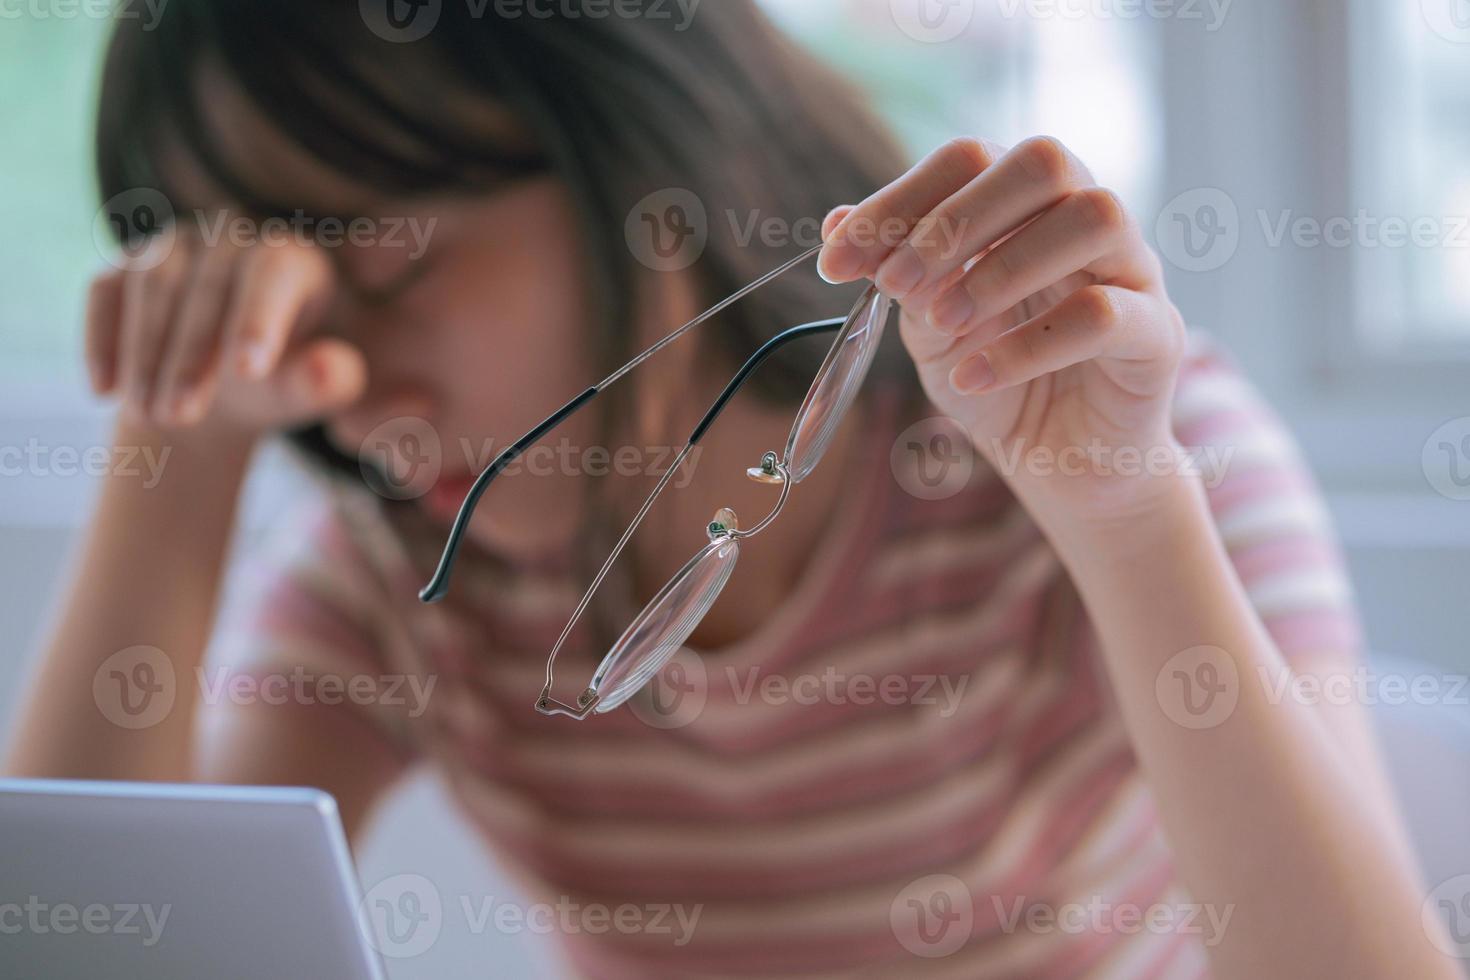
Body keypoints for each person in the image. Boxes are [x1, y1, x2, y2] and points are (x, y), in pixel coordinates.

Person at [5, 1, 1452, 976]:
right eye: (287, 313)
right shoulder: (394, 583)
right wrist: (173, 452)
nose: (347, 381)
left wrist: (1126, 516)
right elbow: (93, 948)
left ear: (645, 169)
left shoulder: (1126, 454)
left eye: (391, 270)